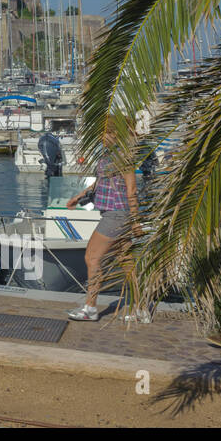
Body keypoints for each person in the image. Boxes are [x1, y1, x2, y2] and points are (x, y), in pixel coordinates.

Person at [66, 126, 144, 322]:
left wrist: (135, 222)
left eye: (108, 133)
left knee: (92, 258)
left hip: (117, 215)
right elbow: (100, 181)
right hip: (113, 213)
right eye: (102, 133)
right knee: (126, 261)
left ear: (118, 134)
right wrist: (79, 195)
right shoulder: (108, 154)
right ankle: (141, 308)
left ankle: (90, 309)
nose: (103, 137)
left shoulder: (124, 157)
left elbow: (132, 189)